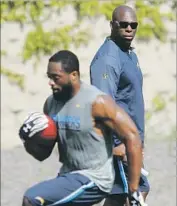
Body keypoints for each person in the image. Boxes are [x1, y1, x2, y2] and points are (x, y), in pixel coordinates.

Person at [19, 50, 145, 206]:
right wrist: (29, 139)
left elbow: (132, 136)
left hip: (94, 178)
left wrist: (133, 190)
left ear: (73, 76)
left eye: (56, 78)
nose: (51, 82)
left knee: (32, 198)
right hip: (68, 176)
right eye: (49, 77)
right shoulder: (51, 104)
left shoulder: (97, 102)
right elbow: (43, 154)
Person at [90, 5, 150, 206]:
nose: (129, 29)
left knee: (120, 196)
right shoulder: (108, 58)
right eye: (123, 24)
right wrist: (117, 144)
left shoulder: (129, 54)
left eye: (133, 25)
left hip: (132, 141)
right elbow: (103, 104)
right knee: (136, 192)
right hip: (121, 143)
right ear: (112, 25)